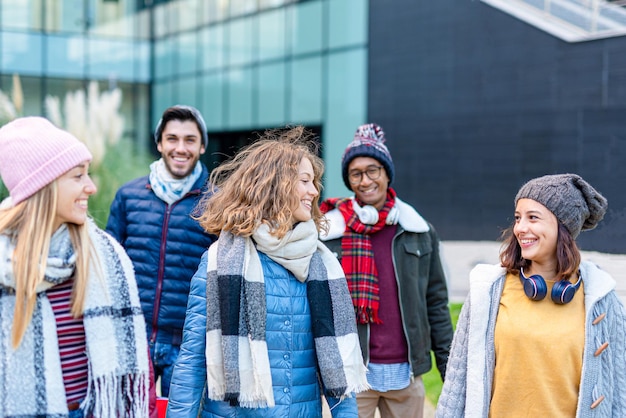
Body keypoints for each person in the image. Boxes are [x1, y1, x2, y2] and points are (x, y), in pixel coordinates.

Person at [166, 126, 369, 417]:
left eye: (314, 182)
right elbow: (192, 363)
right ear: (275, 185)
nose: (314, 191)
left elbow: (337, 368)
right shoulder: (219, 263)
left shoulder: (320, 265)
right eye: (304, 181)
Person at [436, 173, 626, 417]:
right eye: (518, 218)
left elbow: (620, 389)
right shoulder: (488, 289)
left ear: (563, 227)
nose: (520, 228)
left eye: (533, 218)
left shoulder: (601, 299)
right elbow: (456, 382)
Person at [0, 117, 151, 417]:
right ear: (43, 187)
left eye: (89, 174)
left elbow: (135, 359)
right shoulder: (5, 264)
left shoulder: (104, 254)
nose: (91, 187)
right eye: (77, 176)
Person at [319, 123, 453, 418]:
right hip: (352, 375)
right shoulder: (330, 231)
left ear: (386, 173)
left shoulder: (418, 229)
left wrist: (449, 369)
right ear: (349, 180)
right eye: (356, 174)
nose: (365, 180)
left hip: (406, 376)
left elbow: (436, 304)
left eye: (372, 170)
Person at [106, 105, 217, 397]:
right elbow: (108, 264)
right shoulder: (128, 195)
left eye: (190, 140)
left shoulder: (217, 203)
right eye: (172, 139)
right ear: (159, 143)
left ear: (202, 145)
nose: (180, 148)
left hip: (188, 341)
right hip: (133, 334)